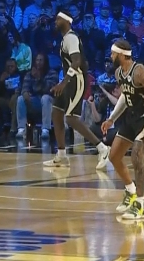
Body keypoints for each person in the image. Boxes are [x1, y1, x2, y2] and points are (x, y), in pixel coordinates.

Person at [101, 39, 144, 221]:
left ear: (121, 55)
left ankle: (140, 206)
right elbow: (125, 96)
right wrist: (112, 118)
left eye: (113, 54)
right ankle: (130, 191)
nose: (111, 56)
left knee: (136, 157)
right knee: (114, 156)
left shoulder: (140, 71)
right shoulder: (119, 72)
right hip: (131, 116)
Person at [44, 12, 111, 169]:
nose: (55, 21)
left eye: (58, 19)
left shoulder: (71, 38)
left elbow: (76, 61)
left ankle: (102, 148)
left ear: (67, 21)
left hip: (76, 80)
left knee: (71, 119)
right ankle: (61, 155)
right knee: (56, 114)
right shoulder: (65, 39)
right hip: (68, 80)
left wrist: (63, 83)